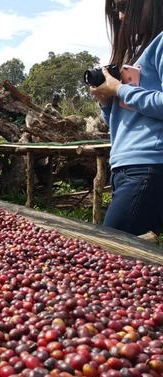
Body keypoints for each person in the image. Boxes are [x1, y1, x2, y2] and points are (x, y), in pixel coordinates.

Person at [90, 0, 163, 237]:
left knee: (109, 251)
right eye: (116, 10)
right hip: (125, 165)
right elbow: (122, 119)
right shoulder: (136, 52)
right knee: (135, 264)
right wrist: (105, 100)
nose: (120, 16)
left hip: (149, 164)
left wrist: (119, 90)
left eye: (123, 7)